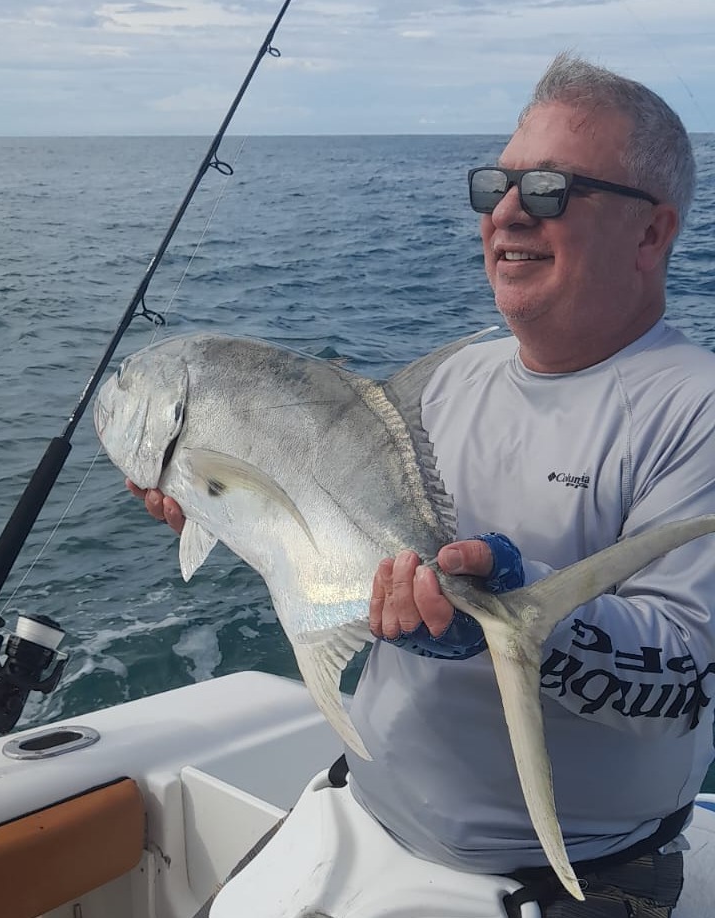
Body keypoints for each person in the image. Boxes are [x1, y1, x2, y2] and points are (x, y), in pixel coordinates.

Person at [128, 53, 715, 917]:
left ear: (652, 232)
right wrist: (229, 511)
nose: (508, 212)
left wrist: (503, 620)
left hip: (568, 876)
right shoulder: (445, 380)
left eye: (551, 189)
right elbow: (338, 552)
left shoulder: (693, 410)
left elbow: (684, 676)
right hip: (359, 811)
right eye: (496, 185)